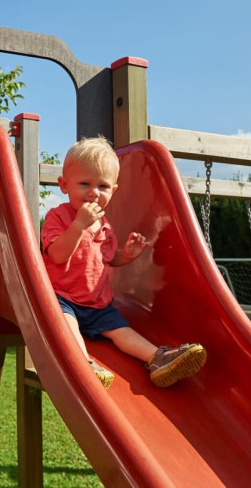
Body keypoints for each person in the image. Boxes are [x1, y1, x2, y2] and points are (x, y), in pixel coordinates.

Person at [41, 136, 207, 389]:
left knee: (122, 332)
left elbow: (105, 259)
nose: (94, 193)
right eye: (84, 183)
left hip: (98, 303)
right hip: (63, 298)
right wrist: (78, 225)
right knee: (66, 323)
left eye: (103, 187)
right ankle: (81, 364)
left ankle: (157, 358)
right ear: (64, 185)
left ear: (114, 190)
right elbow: (56, 255)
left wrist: (127, 254)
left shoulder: (105, 225)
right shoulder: (59, 216)